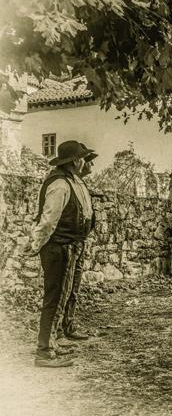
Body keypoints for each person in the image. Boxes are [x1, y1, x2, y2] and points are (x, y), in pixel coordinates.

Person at [23, 141, 96, 367]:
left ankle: (51, 344)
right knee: (54, 298)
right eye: (82, 158)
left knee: (62, 295)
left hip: (69, 245)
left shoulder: (70, 181)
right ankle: (44, 352)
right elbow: (48, 221)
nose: (85, 162)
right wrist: (34, 245)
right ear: (75, 161)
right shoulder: (60, 185)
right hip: (59, 247)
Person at [55, 143, 98, 344]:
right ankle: (58, 331)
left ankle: (68, 324)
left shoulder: (80, 184)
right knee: (65, 287)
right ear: (77, 162)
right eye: (88, 160)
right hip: (69, 241)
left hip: (80, 240)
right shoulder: (66, 183)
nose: (91, 165)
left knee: (74, 286)